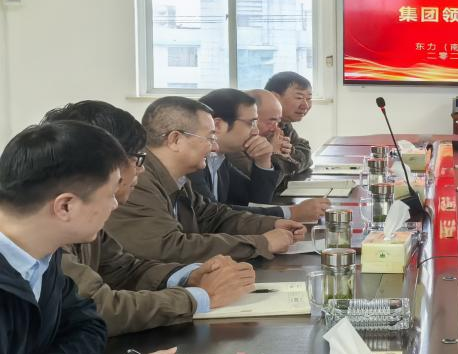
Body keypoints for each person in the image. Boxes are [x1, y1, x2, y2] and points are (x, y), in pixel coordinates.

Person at [0, 121, 182, 354]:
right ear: (66, 205)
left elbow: (88, 327)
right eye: (109, 194)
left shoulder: (41, 256)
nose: (115, 204)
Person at [43, 101, 256, 336]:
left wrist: (190, 276)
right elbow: (98, 308)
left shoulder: (82, 214)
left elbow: (123, 269)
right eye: (137, 158)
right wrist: (200, 297)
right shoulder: (46, 227)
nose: (141, 169)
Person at [105, 97, 304, 263]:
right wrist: (261, 243)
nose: (215, 148)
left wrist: (272, 224)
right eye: (210, 138)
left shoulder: (177, 177)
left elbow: (212, 216)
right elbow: (169, 248)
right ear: (175, 140)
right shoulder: (138, 181)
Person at [192, 89, 329, 222]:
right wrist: (291, 213)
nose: (255, 131)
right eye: (251, 123)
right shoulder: (193, 162)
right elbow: (212, 215)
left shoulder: (219, 158)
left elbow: (254, 201)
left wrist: (263, 161)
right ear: (217, 125)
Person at [267, 72, 314, 182]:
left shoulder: (284, 123)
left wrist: (291, 154)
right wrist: (277, 156)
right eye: (299, 97)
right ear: (275, 97)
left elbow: (305, 151)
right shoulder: (261, 127)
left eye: (309, 98)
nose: (305, 105)